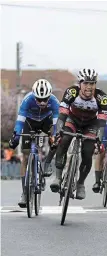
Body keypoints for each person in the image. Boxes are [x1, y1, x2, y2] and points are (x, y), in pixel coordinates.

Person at [50, 68, 107, 200]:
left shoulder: (102, 97)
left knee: (87, 152)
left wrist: (99, 137)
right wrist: (59, 130)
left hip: (91, 124)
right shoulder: (71, 92)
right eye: (86, 83)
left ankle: (80, 183)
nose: (89, 87)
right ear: (79, 84)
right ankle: (58, 177)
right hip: (72, 120)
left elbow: (102, 122)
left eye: (92, 83)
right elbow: (63, 114)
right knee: (64, 140)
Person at [8, 79, 59, 208]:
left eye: (45, 99)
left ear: (49, 96)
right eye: (39, 99)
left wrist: (54, 136)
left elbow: (56, 122)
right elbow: (20, 120)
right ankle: (25, 193)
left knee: (56, 141)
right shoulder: (27, 100)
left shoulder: (54, 102)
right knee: (25, 155)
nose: (42, 102)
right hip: (29, 122)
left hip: (46, 121)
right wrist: (16, 136)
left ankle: (46, 163)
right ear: (34, 95)